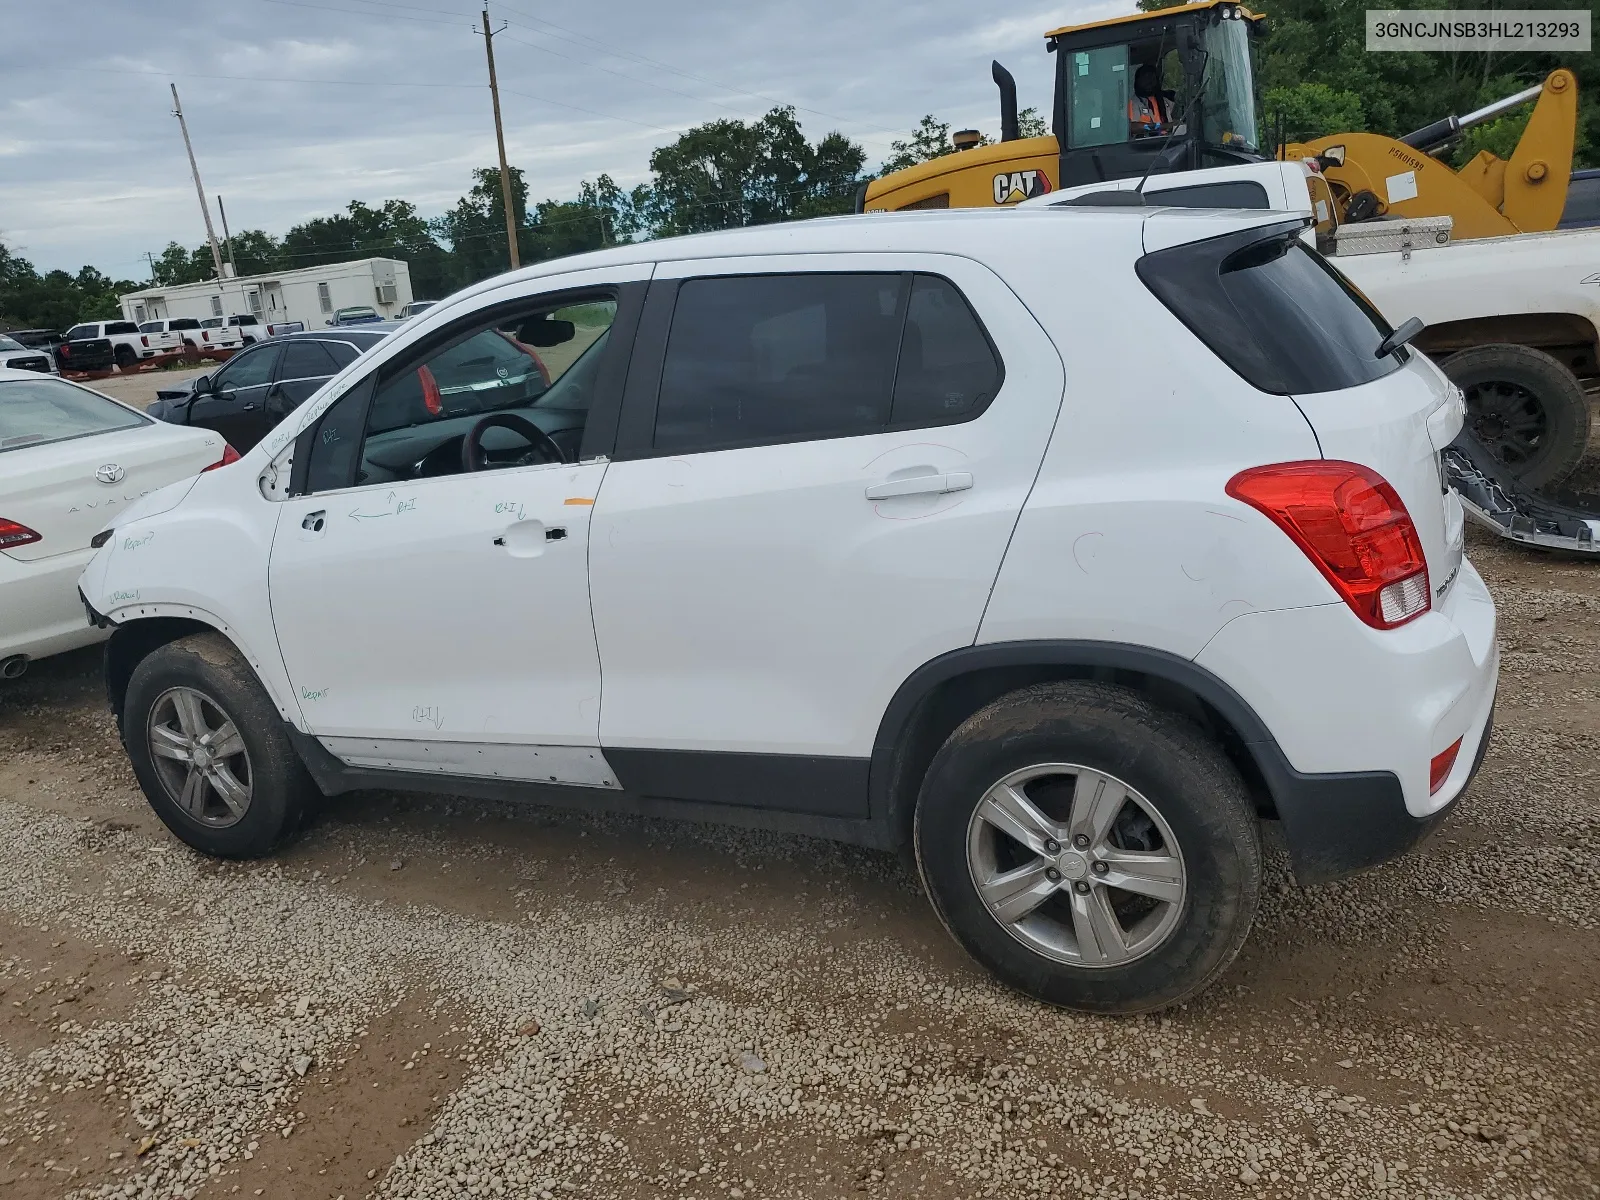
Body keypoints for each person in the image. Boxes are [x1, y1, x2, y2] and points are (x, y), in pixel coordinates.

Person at [1128, 64, 1169, 137]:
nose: (1149, 82)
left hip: (1169, 140)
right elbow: (1132, 127)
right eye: (1145, 79)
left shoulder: (1165, 101)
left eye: (1152, 79)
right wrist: (1162, 126)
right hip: (1145, 144)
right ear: (1137, 81)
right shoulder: (1133, 103)